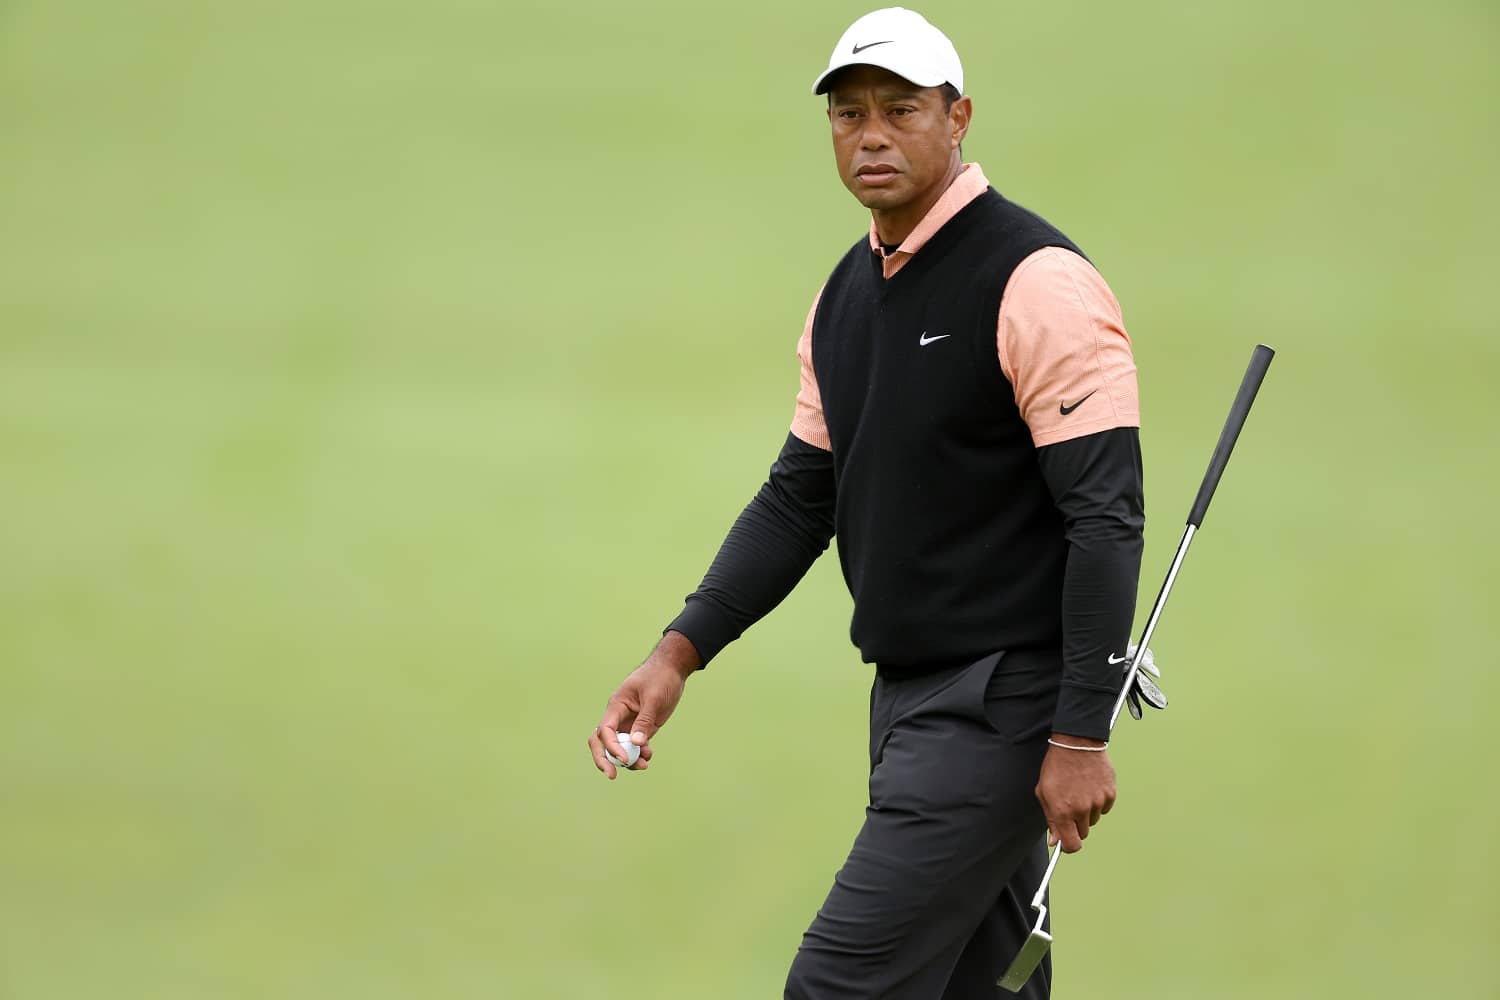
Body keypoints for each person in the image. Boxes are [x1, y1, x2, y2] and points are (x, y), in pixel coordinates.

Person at [586, 7, 1146, 998]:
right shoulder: (848, 293)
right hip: (908, 702)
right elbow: (801, 499)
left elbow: (1105, 515)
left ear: (959, 116)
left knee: (835, 986)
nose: (872, 134)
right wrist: (678, 651)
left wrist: (1079, 733)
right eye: (850, 115)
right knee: (988, 987)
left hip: (1002, 704)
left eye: (900, 109)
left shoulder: (1035, 280)